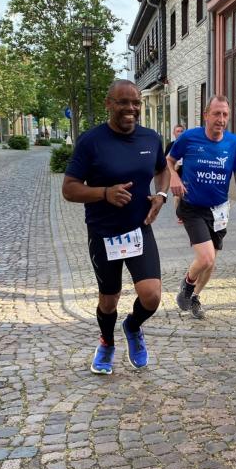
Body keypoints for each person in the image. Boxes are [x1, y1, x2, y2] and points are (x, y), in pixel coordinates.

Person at [62, 80, 169, 376]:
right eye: (123, 102)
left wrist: (161, 195)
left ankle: (132, 326)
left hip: (139, 229)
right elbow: (69, 189)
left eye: (136, 103)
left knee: (151, 295)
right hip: (104, 233)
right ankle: (107, 342)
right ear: (109, 104)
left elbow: (163, 170)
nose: (130, 108)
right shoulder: (91, 141)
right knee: (109, 300)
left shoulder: (150, 139)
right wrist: (104, 193)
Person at [168, 97, 236, 319]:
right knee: (205, 258)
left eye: (225, 114)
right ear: (206, 115)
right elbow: (168, 161)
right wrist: (174, 176)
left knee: (211, 262)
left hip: (219, 211)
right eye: (216, 114)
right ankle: (187, 284)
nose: (221, 119)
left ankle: (195, 296)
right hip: (192, 207)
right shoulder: (189, 137)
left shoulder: (234, 143)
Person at [165, 124, 185, 223]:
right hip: (175, 174)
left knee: (185, 196)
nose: (180, 133)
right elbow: (165, 161)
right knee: (177, 197)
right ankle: (180, 216)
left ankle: (186, 214)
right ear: (174, 133)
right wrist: (174, 166)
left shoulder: (187, 144)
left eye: (182, 131)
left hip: (186, 174)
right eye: (178, 131)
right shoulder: (170, 145)